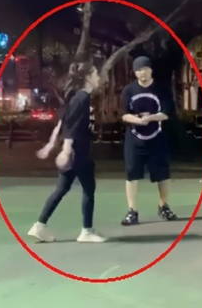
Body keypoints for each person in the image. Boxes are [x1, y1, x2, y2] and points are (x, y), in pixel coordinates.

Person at [28, 61, 106, 243]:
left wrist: (50, 145)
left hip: (75, 151)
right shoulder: (82, 98)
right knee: (89, 189)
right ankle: (86, 231)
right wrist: (66, 150)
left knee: (61, 189)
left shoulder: (76, 97)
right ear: (88, 77)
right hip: (78, 152)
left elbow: (62, 123)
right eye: (95, 74)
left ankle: (39, 226)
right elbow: (72, 126)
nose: (98, 77)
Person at [120, 56, 177, 226]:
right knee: (131, 173)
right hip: (134, 138)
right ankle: (132, 211)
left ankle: (163, 206)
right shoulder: (129, 90)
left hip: (157, 137)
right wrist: (138, 121)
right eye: (138, 70)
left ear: (150, 70)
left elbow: (166, 113)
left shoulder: (161, 89)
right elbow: (124, 114)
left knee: (162, 173)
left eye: (144, 69)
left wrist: (150, 118)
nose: (141, 73)